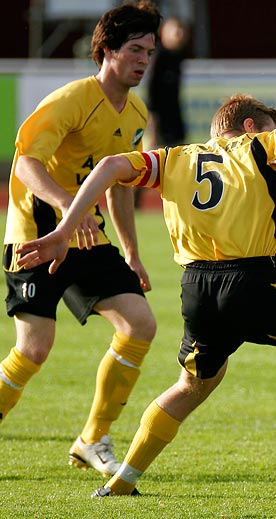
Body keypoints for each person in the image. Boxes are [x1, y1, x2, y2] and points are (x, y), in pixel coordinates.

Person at [15, 94, 276, 497]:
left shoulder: (172, 159)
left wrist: (65, 228)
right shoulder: (260, 144)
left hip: (197, 290)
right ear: (250, 127)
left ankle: (121, 480)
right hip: (255, 283)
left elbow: (109, 166)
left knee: (194, 383)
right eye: (274, 128)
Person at [0, 2, 161, 477]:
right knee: (34, 349)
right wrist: (71, 209)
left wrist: (131, 253)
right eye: (134, 49)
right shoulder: (71, 99)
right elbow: (25, 163)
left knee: (140, 325)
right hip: (37, 234)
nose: (143, 61)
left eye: (149, 52)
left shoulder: (135, 111)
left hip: (86, 236)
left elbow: (120, 186)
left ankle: (93, 438)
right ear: (106, 50)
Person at [146, 16, 189, 148]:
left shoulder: (178, 57)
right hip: (161, 128)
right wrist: (153, 130)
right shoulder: (158, 58)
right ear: (164, 33)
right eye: (176, 32)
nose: (180, 35)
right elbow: (152, 94)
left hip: (175, 123)